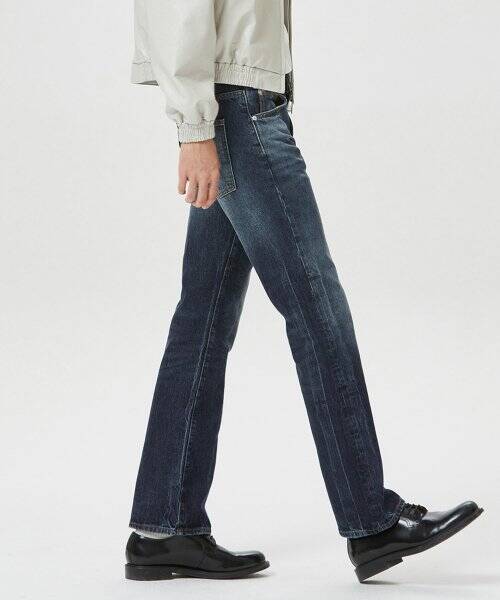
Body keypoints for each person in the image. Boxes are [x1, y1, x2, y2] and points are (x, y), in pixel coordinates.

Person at [125, 0, 482, 583]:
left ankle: (164, 529)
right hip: (236, 112)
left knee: (203, 320)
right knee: (316, 307)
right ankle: (370, 520)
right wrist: (194, 127)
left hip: (245, 103)